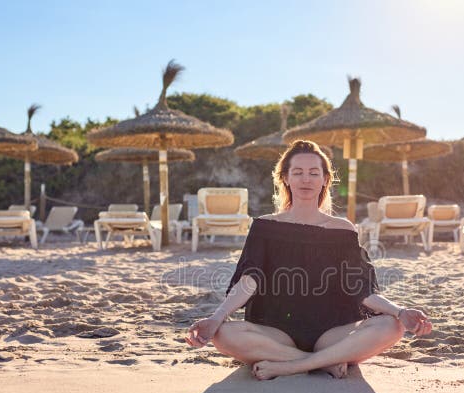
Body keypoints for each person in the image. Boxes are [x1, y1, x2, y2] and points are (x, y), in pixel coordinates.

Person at [185, 140, 432, 380]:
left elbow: (361, 289)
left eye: (314, 173)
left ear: (325, 179)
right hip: (275, 331)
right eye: (298, 172)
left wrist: (400, 311)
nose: (306, 179)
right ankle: (325, 362)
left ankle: (293, 365)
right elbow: (250, 279)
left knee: (392, 327)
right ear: (285, 177)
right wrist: (217, 317)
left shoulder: (342, 229)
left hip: (332, 332)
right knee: (223, 334)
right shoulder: (264, 226)